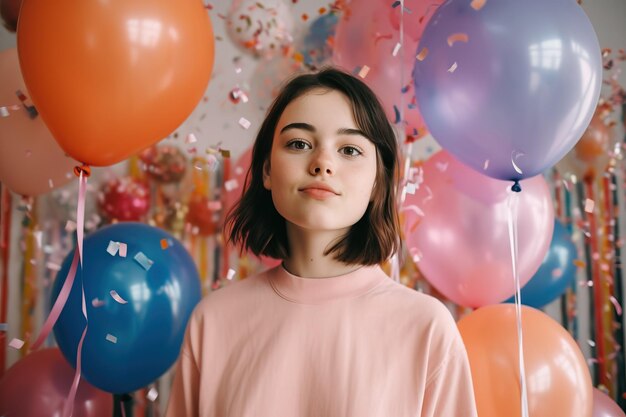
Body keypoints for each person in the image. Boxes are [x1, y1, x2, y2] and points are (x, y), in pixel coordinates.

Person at [165, 67, 478, 416]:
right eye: (299, 144)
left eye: (349, 149)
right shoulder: (213, 322)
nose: (322, 164)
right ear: (267, 169)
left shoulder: (426, 328)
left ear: (379, 181)